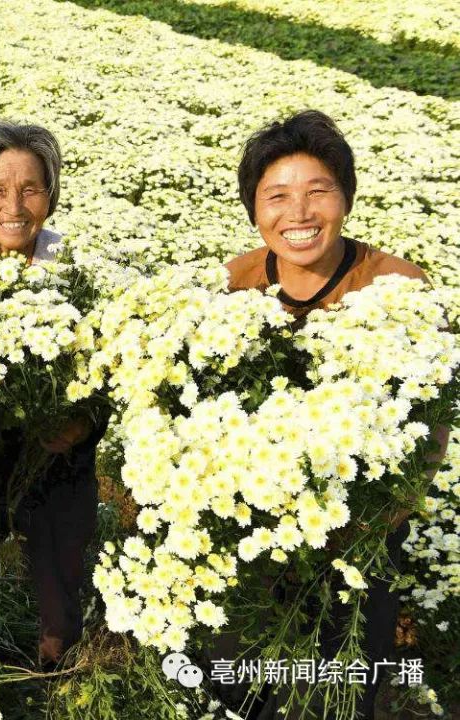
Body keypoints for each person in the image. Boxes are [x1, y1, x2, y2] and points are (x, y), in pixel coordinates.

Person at [218, 109, 449, 719]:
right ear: (253, 208)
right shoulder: (233, 286)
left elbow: (433, 421)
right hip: (256, 525)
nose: (298, 214)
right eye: (277, 197)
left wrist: (383, 513)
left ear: (345, 198)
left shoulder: (397, 287)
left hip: (361, 526)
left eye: (317, 192)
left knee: (347, 681)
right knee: (248, 676)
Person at [0, 121, 107, 669]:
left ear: (50, 197)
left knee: (60, 580)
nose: (14, 206)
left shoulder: (78, 274)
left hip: (57, 461)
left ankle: (61, 675)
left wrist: (80, 424)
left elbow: (112, 372)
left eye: (30, 189)